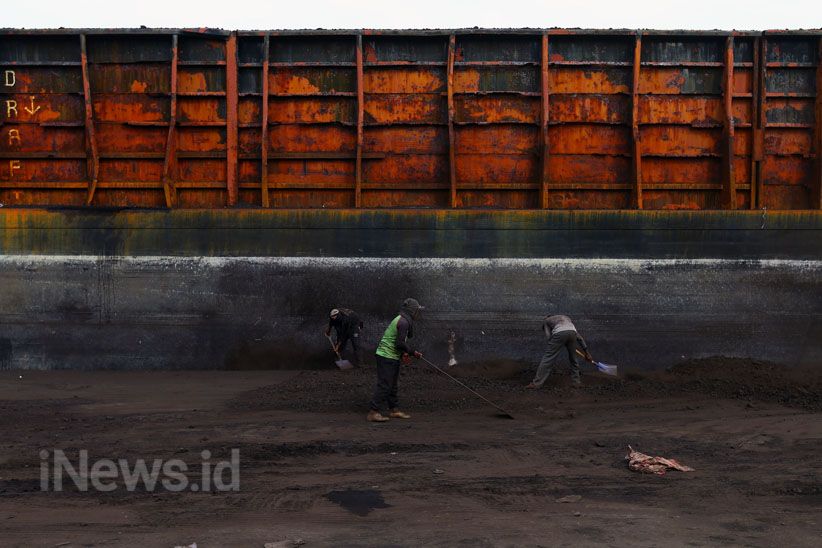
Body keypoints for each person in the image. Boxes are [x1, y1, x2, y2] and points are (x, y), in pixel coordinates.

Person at [367, 298, 424, 423]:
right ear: (412, 311)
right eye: (417, 310)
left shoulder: (403, 320)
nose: (418, 313)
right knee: (385, 385)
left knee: (392, 385)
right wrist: (412, 352)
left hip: (392, 356)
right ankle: (373, 412)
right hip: (386, 356)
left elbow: (399, 342)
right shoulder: (403, 322)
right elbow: (399, 343)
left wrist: (404, 353)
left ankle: (394, 410)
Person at [526, 314, 592, 389]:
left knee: (548, 358)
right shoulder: (566, 318)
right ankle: (576, 383)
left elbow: (549, 337)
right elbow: (580, 338)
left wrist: (558, 342)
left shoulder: (546, 321)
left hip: (559, 334)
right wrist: (587, 353)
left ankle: (536, 383)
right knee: (574, 359)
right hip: (572, 333)